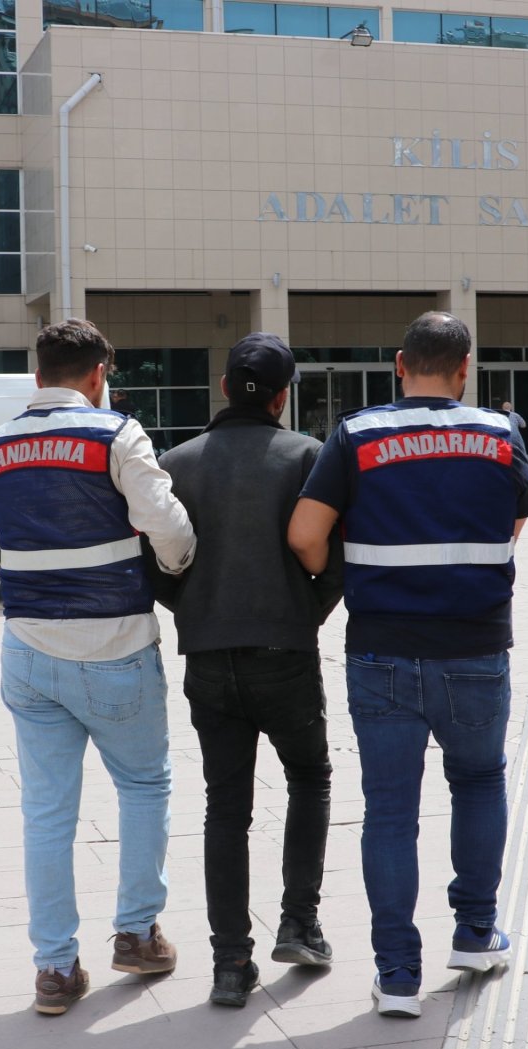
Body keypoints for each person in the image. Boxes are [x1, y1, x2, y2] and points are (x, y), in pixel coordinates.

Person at [288, 311, 528, 1019]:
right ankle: (475, 933)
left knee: (390, 810)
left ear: (400, 363)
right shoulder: (497, 432)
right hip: (475, 647)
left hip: (381, 647)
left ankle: (397, 974)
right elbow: (515, 519)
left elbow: (306, 533)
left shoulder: (359, 434)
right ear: (465, 369)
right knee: (480, 783)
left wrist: (341, 575)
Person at [0, 318, 197, 1017]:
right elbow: (167, 525)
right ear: (99, 373)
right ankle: (135, 934)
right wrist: (176, 565)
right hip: (115, 646)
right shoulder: (116, 433)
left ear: (37, 374)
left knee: (46, 814)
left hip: (28, 649)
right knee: (143, 785)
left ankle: (54, 970)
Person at [153, 332, 345, 1008]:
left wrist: (195, 608)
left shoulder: (176, 462)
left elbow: (157, 563)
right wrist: (305, 609)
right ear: (284, 394)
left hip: (208, 655)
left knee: (225, 808)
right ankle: (300, 923)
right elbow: (335, 555)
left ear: (227, 387)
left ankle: (230, 963)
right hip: (285, 652)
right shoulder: (306, 458)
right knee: (310, 780)